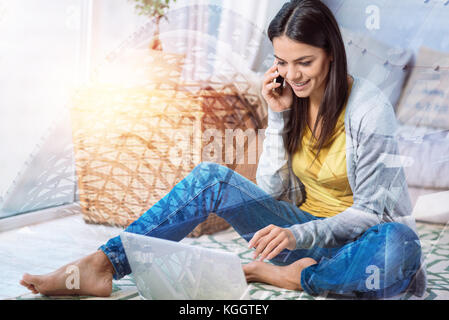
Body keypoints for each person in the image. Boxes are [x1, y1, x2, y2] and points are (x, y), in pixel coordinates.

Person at [20, 0, 426, 299]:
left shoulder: (369, 110)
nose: (292, 75)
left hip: (353, 244)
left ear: (332, 55)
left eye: (304, 62)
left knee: (399, 244)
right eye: (282, 62)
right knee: (211, 178)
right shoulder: (291, 98)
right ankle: (101, 264)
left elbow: (372, 213)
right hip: (291, 240)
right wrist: (279, 116)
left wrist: (297, 235)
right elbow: (272, 190)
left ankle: (295, 277)